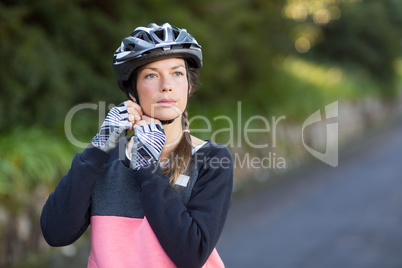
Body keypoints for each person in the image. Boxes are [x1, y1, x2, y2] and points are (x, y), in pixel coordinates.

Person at [40, 23, 234, 268]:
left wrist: (148, 169)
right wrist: (97, 149)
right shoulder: (106, 159)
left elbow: (191, 254)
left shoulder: (211, 159)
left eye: (177, 73)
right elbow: (56, 233)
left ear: (189, 85)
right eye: (151, 75)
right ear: (132, 91)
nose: (166, 85)